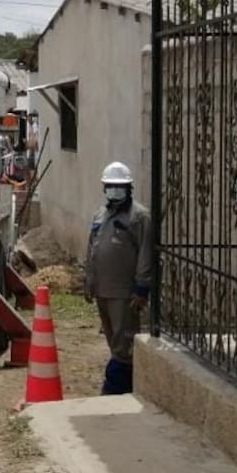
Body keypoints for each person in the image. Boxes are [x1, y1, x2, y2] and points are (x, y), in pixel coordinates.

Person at [84, 161, 153, 395]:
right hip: (102, 290)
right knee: (113, 340)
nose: (114, 190)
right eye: (110, 186)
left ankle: (114, 388)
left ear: (128, 188)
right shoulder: (100, 214)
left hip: (123, 293)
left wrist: (142, 288)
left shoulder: (139, 217)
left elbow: (145, 254)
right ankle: (127, 385)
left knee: (124, 342)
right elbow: (92, 248)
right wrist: (89, 281)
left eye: (119, 186)